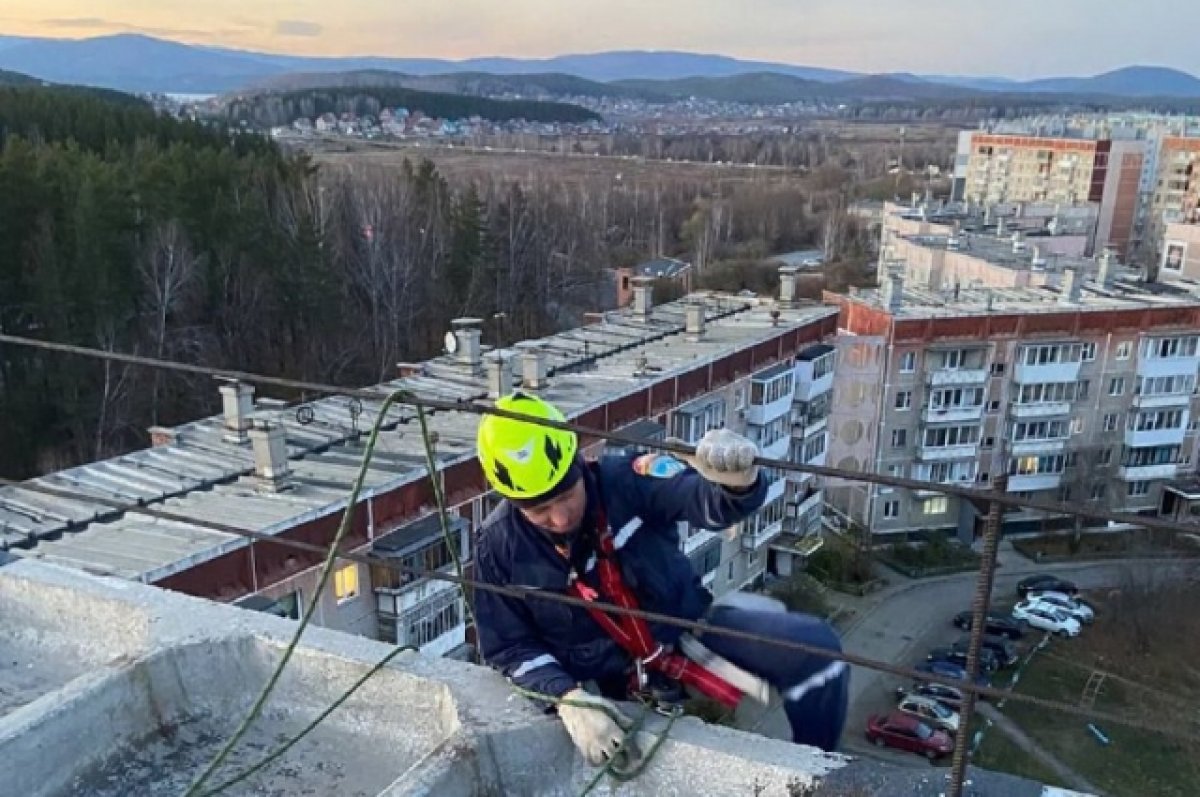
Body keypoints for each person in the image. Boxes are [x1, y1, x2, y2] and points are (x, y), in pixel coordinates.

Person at [473, 391, 849, 766]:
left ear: (580, 464)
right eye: (539, 510)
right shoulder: (499, 549)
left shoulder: (628, 480)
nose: (560, 518)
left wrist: (737, 483)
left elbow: (701, 500)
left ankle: (815, 769)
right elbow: (509, 647)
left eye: (567, 496)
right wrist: (569, 700)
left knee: (817, 653)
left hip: (680, 635)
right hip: (600, 680)